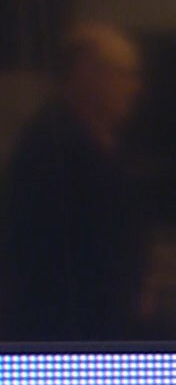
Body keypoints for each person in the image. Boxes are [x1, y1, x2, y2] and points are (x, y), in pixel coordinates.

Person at [0, 21, 150, 341]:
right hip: (67, 337)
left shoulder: (93, 142)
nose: (135, 87)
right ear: (87, 74)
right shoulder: (52, 149)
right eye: (124, 74)